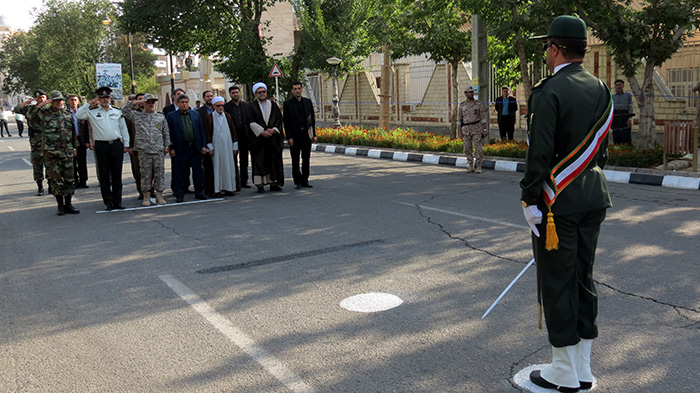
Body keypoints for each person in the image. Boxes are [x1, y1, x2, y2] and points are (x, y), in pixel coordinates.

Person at [521, 15, 613, 392]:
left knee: (557, 281)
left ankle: (563, 372)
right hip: (593, 195)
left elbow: (539, 154)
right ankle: (583, 367)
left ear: (555, 48)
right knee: (582, 278)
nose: (546, 51)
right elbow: (601, 153)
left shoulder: (548, 91)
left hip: (558, 204)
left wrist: (530, 198)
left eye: (547, 46)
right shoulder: (602, 88)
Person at [76, 86, 130, 210]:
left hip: (116, 145)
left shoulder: (117, 110)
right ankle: (108, 202)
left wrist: (126, 144)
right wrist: (89, 102)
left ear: (110, 98)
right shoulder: (92, 111)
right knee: (104, 176)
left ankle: (118, 201)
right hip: (101, 146)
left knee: (117, 176)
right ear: (98, 99)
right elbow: (79, 115)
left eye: (107, 97)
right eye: (102, 97)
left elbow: (123, 128)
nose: (105, 99)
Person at [122, 93, 171, 206]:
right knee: (145, 174)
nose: (151, 104)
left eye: (153, 102)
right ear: (144, 104)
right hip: (144, 150)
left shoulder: (160, 117)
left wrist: (167, 146)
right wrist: (136, 102)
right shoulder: (137, 116)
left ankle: (159, 195)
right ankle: (146, 196)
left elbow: (166, 132)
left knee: (159, 174)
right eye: (148, 102)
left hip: (158, 149)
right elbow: (125, 111)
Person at [36, 91, 80, 215]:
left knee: (69, 179)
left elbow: (72, 132)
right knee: (55, 180)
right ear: (51, 101)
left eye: (61, 100)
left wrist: (74, 147)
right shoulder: (43, 114)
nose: (59, 103)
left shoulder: (67, 114)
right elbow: (29, 114)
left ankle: (69, 204)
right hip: (52, 154)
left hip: (67, 152)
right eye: (56, 100)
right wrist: (44, 103)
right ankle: (60, 205)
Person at [166, 94, 207, 202]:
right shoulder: (171, 116)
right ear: (178, 104)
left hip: (194, 147)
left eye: (186, 102)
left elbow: (201, 130)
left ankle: (199, 192)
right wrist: (171, 147)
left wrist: (203, 145)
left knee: (198, 172)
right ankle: (179, 194)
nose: (184, 104)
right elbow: (168, 133)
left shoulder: (195, 114)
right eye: (182, 102)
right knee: (180, 173)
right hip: (180, 149)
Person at [247, 82, 284, 193]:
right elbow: (250, 121)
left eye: (264, 92)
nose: (262, 94)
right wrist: (262, 131)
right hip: (259, 140)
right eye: (259, 92)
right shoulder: (251, 107)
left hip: (273, 139)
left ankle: (274, 183)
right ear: (255, 94)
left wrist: (273, 130)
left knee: (273, 161)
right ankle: (260, 184)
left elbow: (279, 119)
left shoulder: (273, 105)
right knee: (260, 162)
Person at [283, 81, 317, 189]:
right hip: (295, 136)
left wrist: (314, 134)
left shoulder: (307, 102)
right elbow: (286, 122)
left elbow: (312, 120)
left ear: (302, 89)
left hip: (306, 135)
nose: (297, 91)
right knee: (295, 159)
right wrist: (289, 137)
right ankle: (297, 181)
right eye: (295, 89)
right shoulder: (288, 104)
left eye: (299, 88)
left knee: (306, 158)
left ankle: (305, 180)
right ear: (292, 91)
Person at [203, 96, 239, 196]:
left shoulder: (228, 116)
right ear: (214, 106)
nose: (220, 108)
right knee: (217, 168)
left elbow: (233, 132)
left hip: (227, 147)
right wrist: (210, 147)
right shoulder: (209, 118)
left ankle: (229, 188)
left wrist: (234, 146)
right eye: (218, 106)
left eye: (222, 106)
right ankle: (217, 190)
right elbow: (207, 133)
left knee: (229, 166)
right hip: (216, 147)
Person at [15, 90, 48, 195]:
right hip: (36, 141)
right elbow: (17, 109)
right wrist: (30, 101)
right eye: (38, 98)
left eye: (43, 97)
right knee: (37, 164)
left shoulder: (50, 109)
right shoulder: (31, 109)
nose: (41, 99)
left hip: (50, 141)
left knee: (51, 164)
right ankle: (40, 187)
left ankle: (52, 186)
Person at [224, 85, 251, 189]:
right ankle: (235, 181)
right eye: (233, 93)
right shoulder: (226, 107)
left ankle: (244, 181)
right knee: (233, 160)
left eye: (236, 92)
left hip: (245, 136)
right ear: (230, 94)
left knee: (244, 159)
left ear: (240, 93)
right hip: (232, 137)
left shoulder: (246, 106)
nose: (235, 94)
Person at [458, 86, 488, 173]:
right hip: (466, 129)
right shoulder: (462, 105)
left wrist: (484, 130)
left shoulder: (478, 104)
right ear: (465, 94)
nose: (471, 93)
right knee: (467, 148)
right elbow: (459, 120)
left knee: (478, 147)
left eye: (472, 92)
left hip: (476, 128)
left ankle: (479, 166)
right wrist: (459, 132)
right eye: (469, 92)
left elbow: (483, 118)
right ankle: (470, 165)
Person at [66, 95, 90, 188]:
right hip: (70, 139)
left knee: (82, 161)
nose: (73, 102)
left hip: (81, 139)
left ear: (78, 101)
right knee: (72, 161)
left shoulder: (82, 112)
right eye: (71, 100)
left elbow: (86, 127)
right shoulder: (65, 112)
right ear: (68, 101)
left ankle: (83, 181)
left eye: (75, 100)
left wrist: (87, 141)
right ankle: (74, 181)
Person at [197, 90, 216, 196]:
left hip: (218, 141)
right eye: (207, 96)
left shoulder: (218, 108)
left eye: (211, 96)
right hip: (206, 142)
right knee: (207, 167)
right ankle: (208, 188)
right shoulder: (199, 112)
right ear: (204, 98)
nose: (210, 98)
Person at [611, 79, 634, 145]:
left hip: (625, 114)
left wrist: (629, 118)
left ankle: (626, 148)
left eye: (620, 85)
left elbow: (630, 106)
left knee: (626, 132)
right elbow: (611, 107)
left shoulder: (628, 95)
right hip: (616, 115)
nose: (618, 87)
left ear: (623, 85)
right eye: (617, 85)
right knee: (616, 132)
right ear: (615, 86)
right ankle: (617, 148)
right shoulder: (612, 96)